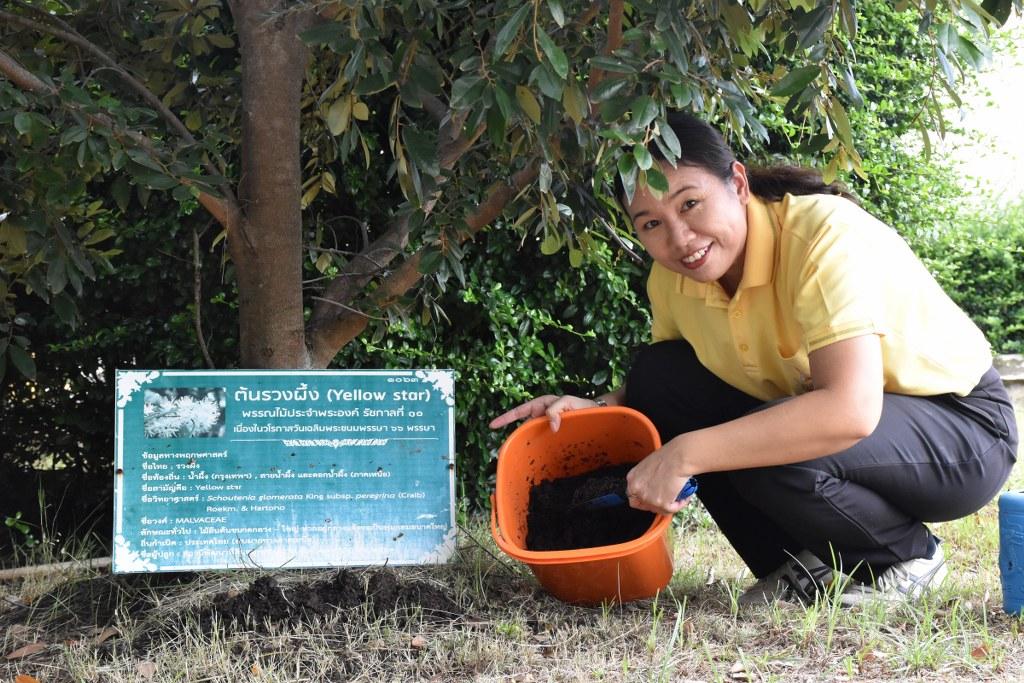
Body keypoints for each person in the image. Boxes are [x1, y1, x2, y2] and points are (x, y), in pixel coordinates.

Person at [489, 112, 1018, 607]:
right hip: (841, 421)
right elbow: (669, 393)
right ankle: (799, 566)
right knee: (659, 375)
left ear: (737, 184)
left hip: (962, 430)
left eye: (689, 204)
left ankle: (905, 555)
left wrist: (686, 453)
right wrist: (597, 409)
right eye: (650, 223)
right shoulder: (672, 279)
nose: (680, 238)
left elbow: (849, 411)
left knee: (768, 445)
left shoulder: (822, 235)